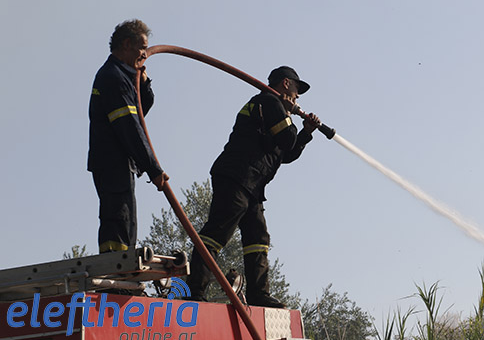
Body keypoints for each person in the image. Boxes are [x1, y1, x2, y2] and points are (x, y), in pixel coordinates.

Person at [187, 66, 321, 308]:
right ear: (285, 83)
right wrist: (288, 113)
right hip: (237, 177)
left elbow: (285, 153)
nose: (298, 96)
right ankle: (194, 291)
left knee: (258, 238)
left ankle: (259, 295)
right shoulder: (269, 101)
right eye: (296, 88)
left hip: (252, 184)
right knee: (217, 232)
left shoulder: (272, 106)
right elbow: (287, 139)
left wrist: (306, 133)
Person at [88, 19, 169, 253]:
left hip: (118, 162)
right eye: (142, 47)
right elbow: (130, 128)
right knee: (119, 221)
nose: (144, 54)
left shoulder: (122, 77)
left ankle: (121, 265)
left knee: (126, 220)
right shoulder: (113, 77)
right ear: (126, 44)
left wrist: (143, 80)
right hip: (112, 161)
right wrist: (153, 169)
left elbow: (142, 109)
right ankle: (116, 267)